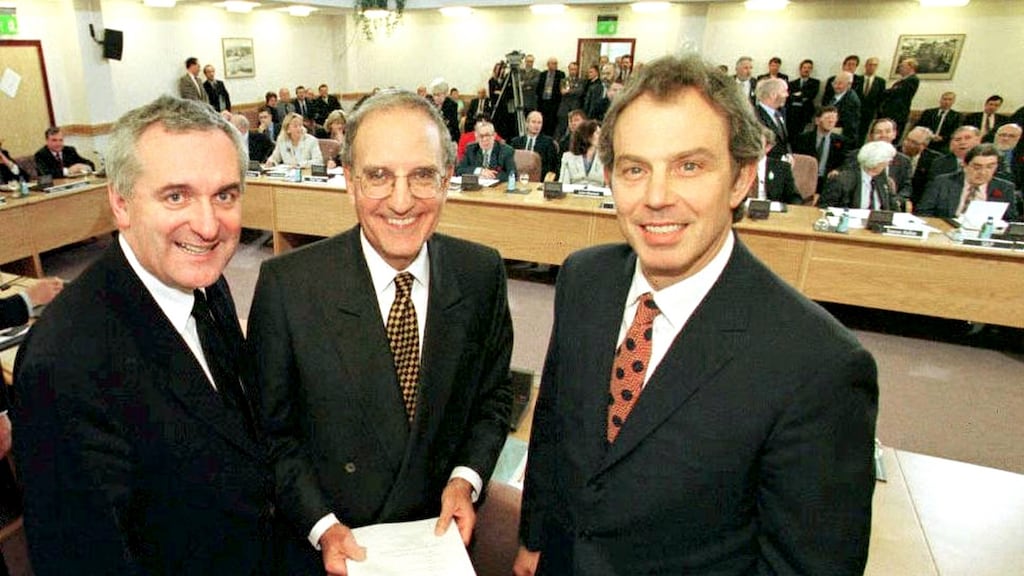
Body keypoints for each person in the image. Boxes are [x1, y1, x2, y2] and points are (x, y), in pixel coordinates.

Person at [514, 54, 878, 576]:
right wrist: (534, 538)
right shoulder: (583, 279)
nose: (657, 198)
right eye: (636, 169)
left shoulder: (820, 365)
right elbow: (553, 428)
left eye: (689, 166)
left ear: (740, 180)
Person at [247, 89, 513, 575]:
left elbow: (493, 400)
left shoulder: (481, 273)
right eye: (378, 176)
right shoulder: (288, 286)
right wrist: (321, 524)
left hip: (440, 543)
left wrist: (465, 479)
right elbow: (272, 434)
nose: (401, 201)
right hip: (331, 545)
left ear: (447, 180)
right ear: (348, 182)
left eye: (422, 176)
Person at [12, 95, 273, 575]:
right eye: (176, 196)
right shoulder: (64, 365)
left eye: (225, 195)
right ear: (121, 203)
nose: (209, 225)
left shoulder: (203, 282)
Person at [916, 143, 1019, 220]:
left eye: (989, 167)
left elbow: (1010, 220)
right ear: (964, 165)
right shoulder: (943, 182)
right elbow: (923, 212)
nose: (983, 172)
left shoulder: (1005, 188)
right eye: (977, 167)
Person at [821, 140, 900, 210]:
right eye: (887, 161)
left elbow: (894, 209)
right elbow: (824, 208)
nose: (889, 164)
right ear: (876, 163)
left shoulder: (884, 180)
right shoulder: (841, 180)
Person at [510, 111, 559, 181]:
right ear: (526, 123)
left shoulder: (548, 142)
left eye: (539, 123)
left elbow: (553, 167)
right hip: (518, 178)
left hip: (540, 180)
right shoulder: (516, 142)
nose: (536, 125)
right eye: (533, 122)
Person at [878, 57, 920, 139]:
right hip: (890, 114)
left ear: (910, 67)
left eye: (902, 66)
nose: (900, 68)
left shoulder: (912, 80)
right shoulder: (901, 81)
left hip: (897, 115)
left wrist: (884, 91)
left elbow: (896, 93)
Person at [558, 119, 605, 187]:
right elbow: (564, 184)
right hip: (574, 195)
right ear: (587, 136)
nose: (601, 137)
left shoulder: (605, 158)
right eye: (597, 133)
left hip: (599, 195)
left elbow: (609, 185)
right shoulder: (568, 157)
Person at [753, 77, 790, 159]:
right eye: (784, 91)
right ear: (773, 95)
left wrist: (787, 155)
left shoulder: (779, 114)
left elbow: (784, 141)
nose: (787, 95)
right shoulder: (755, 116)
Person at [785, 58, 819, 136]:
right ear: (800, 69)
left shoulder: (815, 82)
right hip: (792, 112)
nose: (806, 70)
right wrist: (802, 96)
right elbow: (789, 96)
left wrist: (797, 95)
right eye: (804, 67)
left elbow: (811, 95)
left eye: (809, 68)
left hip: (806, 112)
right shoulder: (792, 83)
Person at [536, 57, 565, 137]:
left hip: (554, 103)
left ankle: (550, 137)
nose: (555, 65)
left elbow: (562, 87)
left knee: (552, 122)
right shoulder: (543, 74)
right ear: (548, 65)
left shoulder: (561, 74)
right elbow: (539, 88)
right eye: (553, 63)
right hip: (543, 102)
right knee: (542, 120)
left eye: (556, 63)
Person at [430, 78, 461, 143]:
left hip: (447, 136)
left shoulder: (451, 105)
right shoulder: (430, 103)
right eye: (434, 95)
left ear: (445, 94)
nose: (436, 98)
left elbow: (453, 126)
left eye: (438, 95)